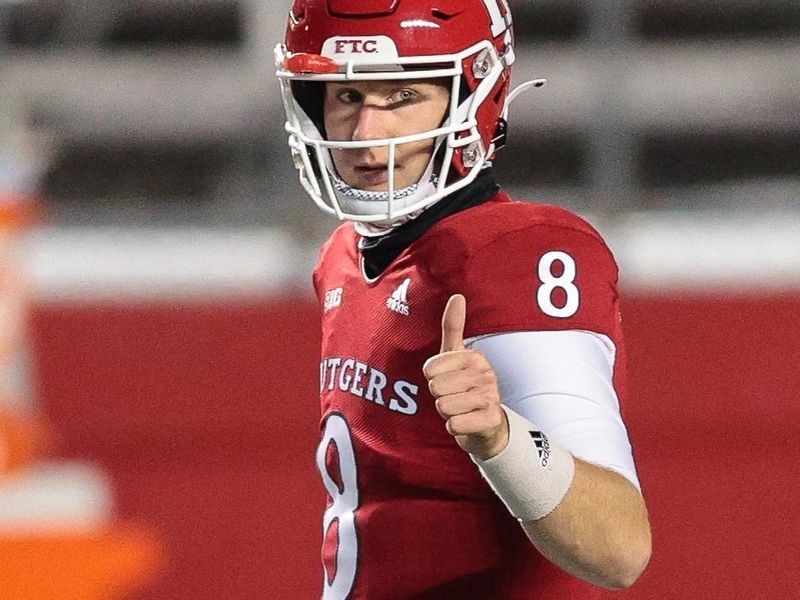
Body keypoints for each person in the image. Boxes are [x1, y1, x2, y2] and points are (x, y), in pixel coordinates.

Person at [274, 1, 652, 598]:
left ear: (475, 96)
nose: (367, 133)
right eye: (346, 96)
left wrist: (500, 438)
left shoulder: (518, 252)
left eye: (402, 96)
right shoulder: (345, 256)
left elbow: (618, 547)